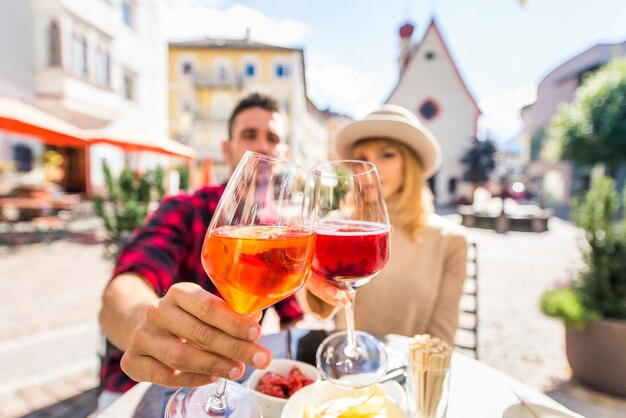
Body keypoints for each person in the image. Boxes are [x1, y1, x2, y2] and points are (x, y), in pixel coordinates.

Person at [97, 92, 346, 409]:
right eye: (248, 135)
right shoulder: (187, 209)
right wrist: (144, 321)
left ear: (283, 152)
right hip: (141, 385)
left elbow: (292, 319)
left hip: (229, 379)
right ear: (227, 149)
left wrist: (321, 282)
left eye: (272, 137)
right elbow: (124, 288)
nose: (262, 145)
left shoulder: (285, 234)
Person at [303, 104, 468, 345]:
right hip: (345, 365)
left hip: (407, 372)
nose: (371, 168)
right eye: (361, 158)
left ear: (410, 165)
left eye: (387, 154)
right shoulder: (337, 228)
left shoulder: (449, 240)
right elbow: (321, 311)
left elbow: (440, 340)